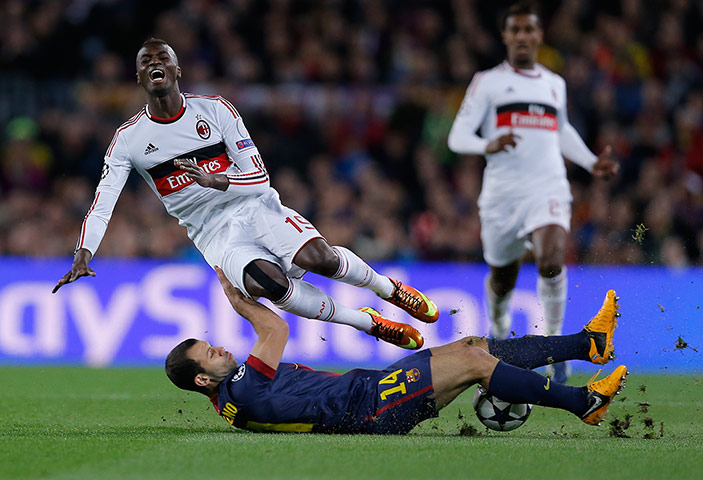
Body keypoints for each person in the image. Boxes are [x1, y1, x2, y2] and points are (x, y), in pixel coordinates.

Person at [52, 38, 438, 350]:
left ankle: (389, 289)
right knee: (266, 284)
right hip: (213, 234)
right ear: (139, 77)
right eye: (145, 60)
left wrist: (218, 181)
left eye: (162, 57)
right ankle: (368, 322)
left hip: (253, 205)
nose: (154, 62)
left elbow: (259, 174)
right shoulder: (128, 140)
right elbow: (103, 201)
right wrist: (84, 251)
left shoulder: (216, 110)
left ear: (176, 70)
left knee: (318, 258)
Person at [165, 266, 627, 434]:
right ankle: (585, 402)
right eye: (211, 353)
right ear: (203, 378)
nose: (221, 349)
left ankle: (589, 344)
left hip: (368, 392)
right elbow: (275, 327)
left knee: (471, 346)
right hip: (370, 409)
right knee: (472, 361)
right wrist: (235, 291)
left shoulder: (231, 399)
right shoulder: (241, 390)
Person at [447, 2, 620, 382]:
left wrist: (591, 162)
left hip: (548, 187)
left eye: (530, 30)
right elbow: (457, 136)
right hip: (502, 196)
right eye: (516, 30)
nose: (523, 36)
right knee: (503, 278)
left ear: (539, 35)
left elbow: (561, 131)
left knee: (551, 258)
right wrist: (487, 144)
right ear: (506, 36)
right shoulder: (488, 82)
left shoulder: (553, 84)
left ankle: (556, 344)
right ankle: (497, 325)